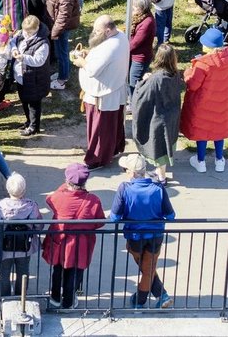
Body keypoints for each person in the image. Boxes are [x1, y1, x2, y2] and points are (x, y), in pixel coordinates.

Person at [111, 154, 175, 308]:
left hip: (135, 237)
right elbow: (171, 216)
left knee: (147, 270)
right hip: (156, 236)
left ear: (132, 172)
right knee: (149, 268)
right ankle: (161, 295)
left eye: (126, 169)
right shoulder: (158, 188)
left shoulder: (125, 188)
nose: (125, 171)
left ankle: (140, 301)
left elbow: (114, 218)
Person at [42, 163, 105, 308]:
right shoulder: (93, 200)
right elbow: (100, 222)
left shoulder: (58, 197)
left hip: (59, 241)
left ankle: (55, 297)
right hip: (81, 244)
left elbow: (48, 200)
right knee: (75, 273)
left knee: (57, 270)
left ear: (67, 180)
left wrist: (65, 186)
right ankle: (68, 301)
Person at [74, 15, 129, 168]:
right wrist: (89, 54)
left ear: (108, 30)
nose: (94, 33)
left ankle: (96, 159)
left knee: (100, 130)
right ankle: (114, 149)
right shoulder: (121, 36)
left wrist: (81, 62)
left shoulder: (110, 48)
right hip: (114, 88)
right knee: (113, 127)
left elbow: (92, 70)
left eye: (97, 31)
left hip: (103, 95)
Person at [131, 44, 183, 183]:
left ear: (158, 57)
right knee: (166, 148)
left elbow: (142, 96)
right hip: (171, 118)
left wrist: (143, 82)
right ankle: (160, 173)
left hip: (158, 120)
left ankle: (161, 178)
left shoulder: (155, 79)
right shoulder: (176, 75)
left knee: (159, 150)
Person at [181, 27, 228, 172]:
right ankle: (219, 160)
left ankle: (200, 162)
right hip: (223, 103)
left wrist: (188, 71)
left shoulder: (203, 63)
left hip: (203, 104)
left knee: (203, 132)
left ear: (208, 46)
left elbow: (193, 85)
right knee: (218, 131)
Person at [0, 173, 42, 298]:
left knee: (4, 274)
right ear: (24, 189)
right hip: (24, 248)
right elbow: (39, 226)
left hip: (4, 247)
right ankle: (21, 296)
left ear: (7, 189)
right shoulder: (31, 206)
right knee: (23, 272)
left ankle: (5, 298)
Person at [46, 0, 83, 91]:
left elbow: (64, 15)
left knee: (62, 53)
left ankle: (62, 79)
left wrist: (55, 31)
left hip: (61, 26)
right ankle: (62, 73)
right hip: (57, 23)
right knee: (61, 51)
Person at [12, 16, 51, 136]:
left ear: (36, 28)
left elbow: (39, 61)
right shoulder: (22, 34)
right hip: (22, 76)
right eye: (25, 31)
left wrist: (23, 57)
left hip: (35, 79)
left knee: (33, 103)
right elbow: (14, 40)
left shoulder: (42, 43)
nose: (26, 34)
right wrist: (14, 49)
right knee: (24, 100)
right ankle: (28, 121)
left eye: (29, 32)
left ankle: (34, 127)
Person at [128, 0, 156, 99]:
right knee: (129, 78)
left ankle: (133, 102)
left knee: (134, 81)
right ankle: (130, 98)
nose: (132, 9)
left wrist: (122, 49)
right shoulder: (139, 17)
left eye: (135, 7)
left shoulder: (147, 22)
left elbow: (135, 43)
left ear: (142, 8)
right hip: (132, 55)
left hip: (140, 58)